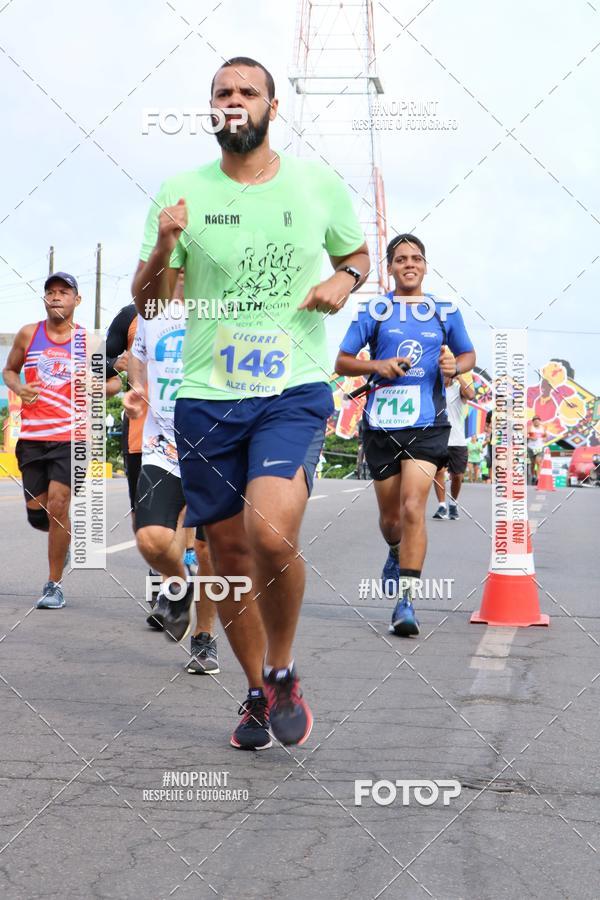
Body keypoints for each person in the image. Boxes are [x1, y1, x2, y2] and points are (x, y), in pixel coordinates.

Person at [132, 56, 369, 749]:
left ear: (272, 106)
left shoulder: (317, 184)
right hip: (207, 396)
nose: (234, 101)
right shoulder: (179, 192)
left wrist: (346, 280)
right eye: (222, 93)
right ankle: (257, 691)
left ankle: (284, 668)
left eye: (247, 92)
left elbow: (357, 253)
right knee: (229, 554)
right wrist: (165, 246)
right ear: (210, 108)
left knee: (269, 534)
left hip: (291, 388)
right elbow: (149, 304)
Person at [336, 234, 475, 637]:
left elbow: (468, 354)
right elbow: (342, 361)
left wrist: (454, 366)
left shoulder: (444, 311)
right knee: (392, 519)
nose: (409, 264)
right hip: (382, 424)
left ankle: (406, 602)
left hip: (428, 424)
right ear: (391, 268)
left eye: (416, 258)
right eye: (401, 259)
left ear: (425, 266)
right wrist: (377, 366)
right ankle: (395, 551)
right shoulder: (375, 310)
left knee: (414, 506)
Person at [123, 292, 219, 674]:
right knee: (151, 539)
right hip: (162, 445)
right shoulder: (151, 313)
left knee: (208, 549)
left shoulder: (225, 305)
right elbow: (137, 356)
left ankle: (204, 638)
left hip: (218, 447)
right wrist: (136, 386)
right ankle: (180, 584)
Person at [2, 272, 83, 609]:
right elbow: (9, 370)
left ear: (77, 300)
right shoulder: (28, 334)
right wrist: (19, 387)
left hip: (71, 437)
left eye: (64, 291)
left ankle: (54, 585)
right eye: (50, 292)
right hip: (33, 438)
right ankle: (63, 544)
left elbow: (111, 382)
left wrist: (99, 386)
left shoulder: (89, 342)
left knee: (59, 505)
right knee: (39, 516)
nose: (56, 296)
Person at [432, 372, 475, 519]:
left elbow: (471, 395)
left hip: (457, 440)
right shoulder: (433, 389)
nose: (443, 376)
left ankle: (453, 503)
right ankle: (441, 506)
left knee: (457, 476)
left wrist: (459, 377)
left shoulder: (458, 389)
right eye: (441, 373)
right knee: (438, 472)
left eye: (446, 374)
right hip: (438, 438)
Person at [527, 415, 548, 484]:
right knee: (533, 463)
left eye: (538, 421)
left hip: (540, 447)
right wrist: (530, 437)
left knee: (538, 462)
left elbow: (546, 436)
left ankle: (538, 477)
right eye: (535, 421)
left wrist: (545, 439)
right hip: (531, 448)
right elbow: (525, 435)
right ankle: (533, 475)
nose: (536, 422)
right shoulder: (530, 428)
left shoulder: (543, 428)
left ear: (540, 422)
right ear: (533, 422)